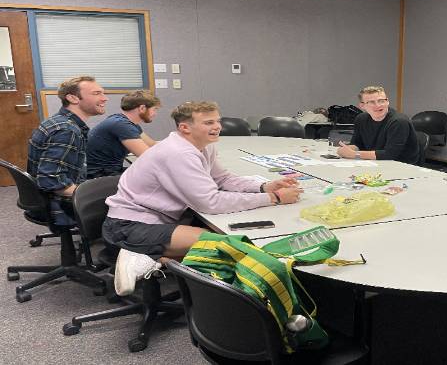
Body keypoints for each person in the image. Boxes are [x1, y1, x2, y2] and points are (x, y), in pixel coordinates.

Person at [103, 101, 302, 295]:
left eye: (217, 121)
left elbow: (223, 179)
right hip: (129, 226)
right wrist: (273, 197)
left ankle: (154, 256)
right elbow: (210, 202)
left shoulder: (203, 145)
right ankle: (143, 252)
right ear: (185, 127)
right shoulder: (178, 153)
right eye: (208, 123)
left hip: (156, 219)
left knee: (221, 243)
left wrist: (263, 186)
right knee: (227, 247)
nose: (217, 127)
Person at [27, 76, 108, 225]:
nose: (105, 98)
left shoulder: (59, 121)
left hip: (46, 199)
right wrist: (93, 195)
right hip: (58, 206)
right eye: (97, 93)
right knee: (128, 202)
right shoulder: (67, 131)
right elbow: (51, 180)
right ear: (73, 98)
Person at [336, 86, 419, 165]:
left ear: (387, 101)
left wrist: (355, 154)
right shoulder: (361, 119)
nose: (378, 105)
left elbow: (390, 154)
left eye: (381, 101)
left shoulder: (399, 121)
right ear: (362, 106)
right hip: (375, 163)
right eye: (372, 102)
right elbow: (358, 144)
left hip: (401, 167)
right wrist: (345, 150)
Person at [86, 90, 161, 178]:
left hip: (109, 171)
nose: (155, 114)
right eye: (154, 109)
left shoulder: (125, 122)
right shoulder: (121, 125)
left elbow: (152, 144)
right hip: (100, 176)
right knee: (155, 178)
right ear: (142, 108)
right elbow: (148, 156)